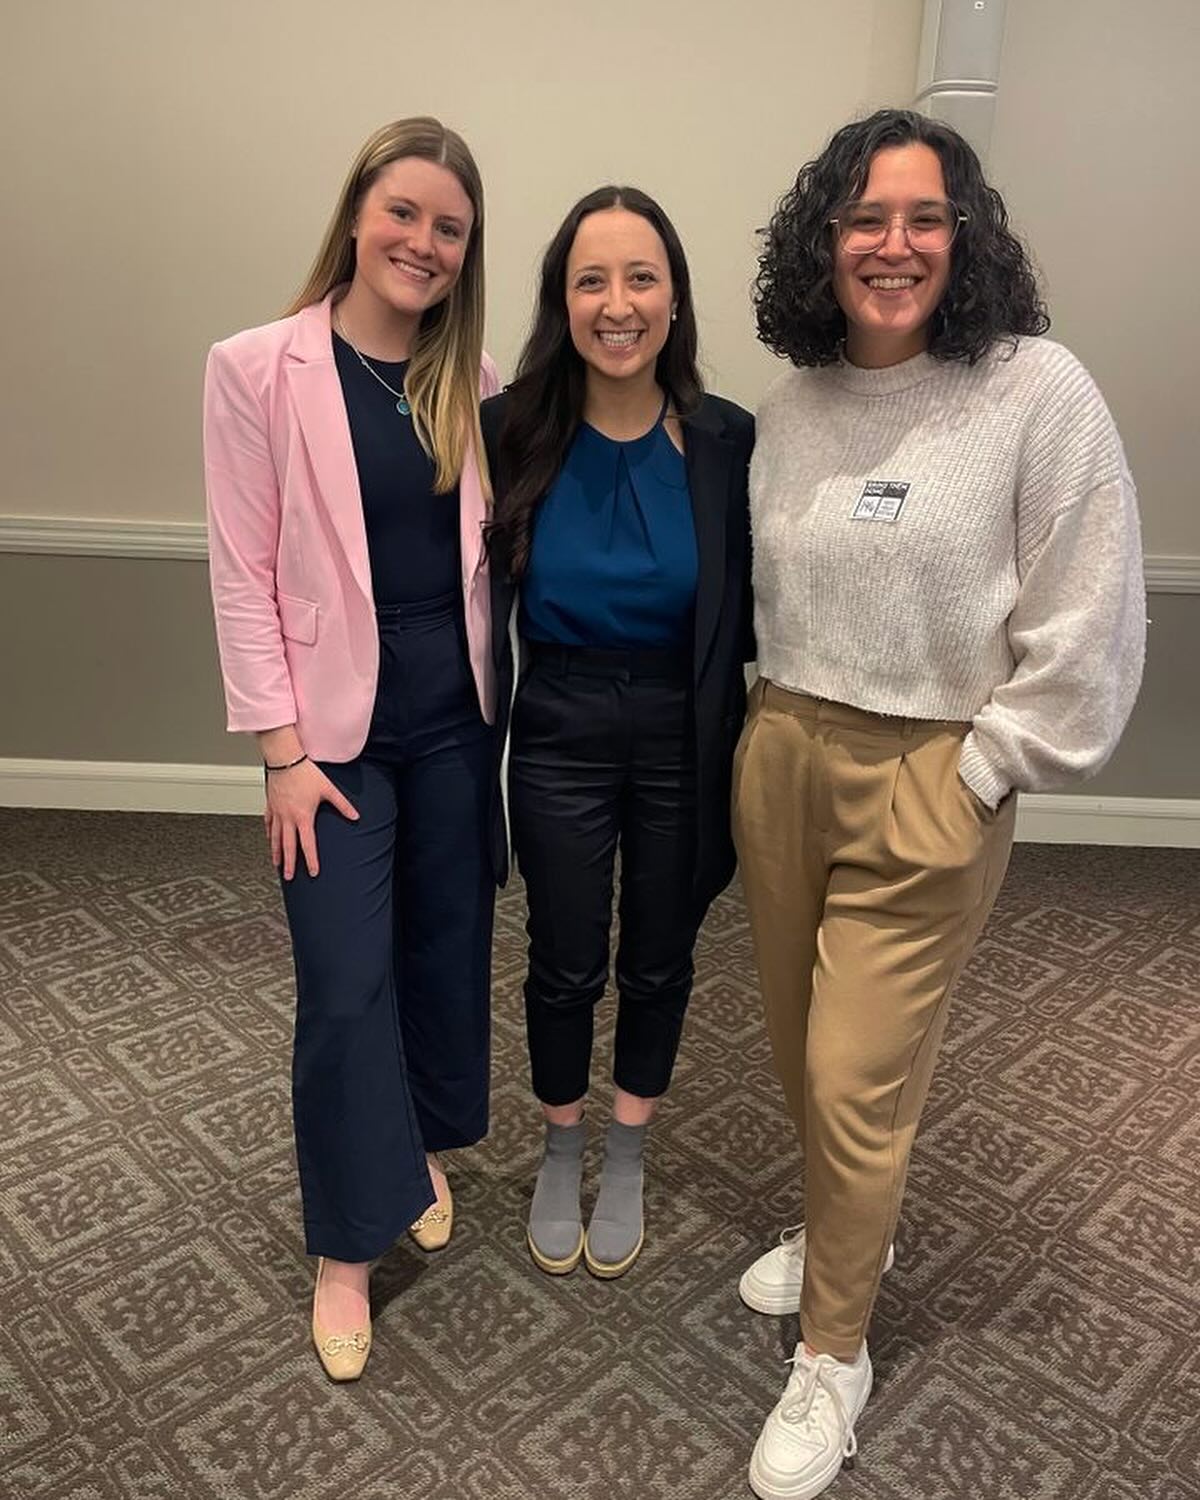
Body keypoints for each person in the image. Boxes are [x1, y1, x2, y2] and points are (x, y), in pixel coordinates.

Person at [734, 108, 1145, 1500]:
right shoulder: (791, 410)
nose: (893, 244)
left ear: (965, 237)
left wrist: (986, 767)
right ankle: (847, 1228)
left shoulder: (1036, 390)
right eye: (864, 218)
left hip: (932, 767)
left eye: (923, 217)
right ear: (825, 241)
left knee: (855, 1076)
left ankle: (835, 1353)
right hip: (783, 753)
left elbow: (1091, 612)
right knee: (798, 1049)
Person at [203, 117, 503, 1382]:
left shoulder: (475, 379)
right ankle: (343, 1250)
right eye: (404, 213)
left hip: (455, 722)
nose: (423, 242)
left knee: (440, 952)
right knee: (340, 986)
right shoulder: (256, 367)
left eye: (450, 227)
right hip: (330, 740)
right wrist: (279, 751)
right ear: (358, 215)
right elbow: (242, 573)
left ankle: (417, 1139)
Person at [484, 187, 753, 1280]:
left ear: (674, 298)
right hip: (559, 723)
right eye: (590, 280)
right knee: (562, 958)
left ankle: (628, 1151)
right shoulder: (510, 430)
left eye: (641, 277)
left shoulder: (727, 440)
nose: (618, 303)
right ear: (563, 301)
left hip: (684, 727)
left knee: (658, 955)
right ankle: (561, 1149)